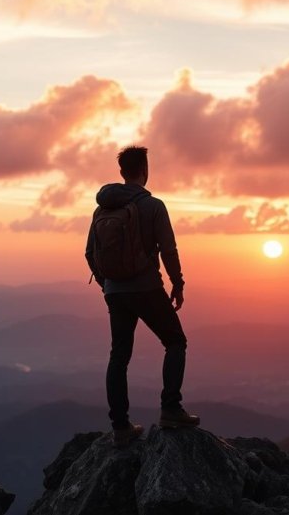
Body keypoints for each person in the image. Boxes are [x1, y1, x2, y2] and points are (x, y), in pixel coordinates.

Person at [85, 145, 200, 448]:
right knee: (175, 341)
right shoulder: (153, 206)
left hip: (114, 291)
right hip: (147, 287)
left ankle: (120, 427)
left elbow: (88, 253)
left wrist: (108, 285)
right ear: (145, 171)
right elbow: (168, 249)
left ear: (122, 172)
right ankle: (171, 409)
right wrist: (178, 283)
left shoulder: (101, 209)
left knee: (118, 357)